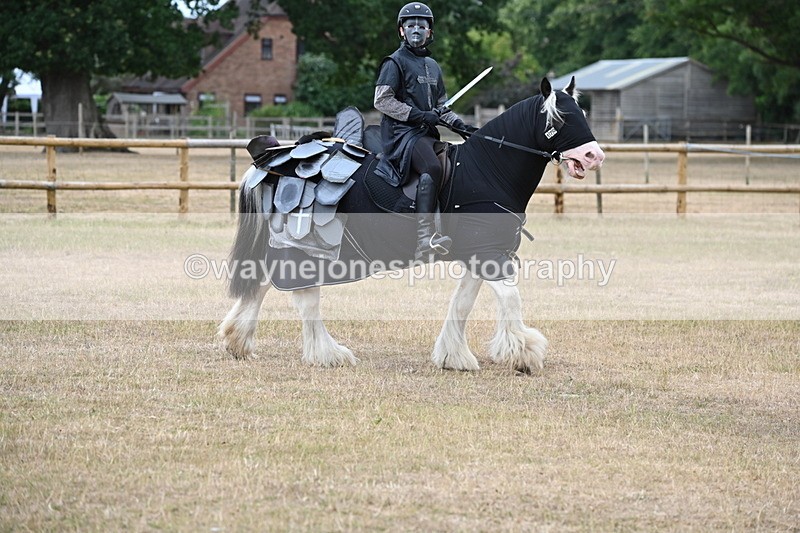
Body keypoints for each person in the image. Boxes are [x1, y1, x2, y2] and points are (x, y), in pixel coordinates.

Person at [374, 2, 474, 261]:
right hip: (401, 135)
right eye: (410, 25)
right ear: (401, 30)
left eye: (422, 25)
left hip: (426, 135)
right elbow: (382, 101)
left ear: (430, 31)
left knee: (458, 163)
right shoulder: (394, 62)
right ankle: (424, 238)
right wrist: (418, 115)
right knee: (432, 167)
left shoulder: (432, 65)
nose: (416, 30)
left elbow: (441, 108)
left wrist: (462, 127)